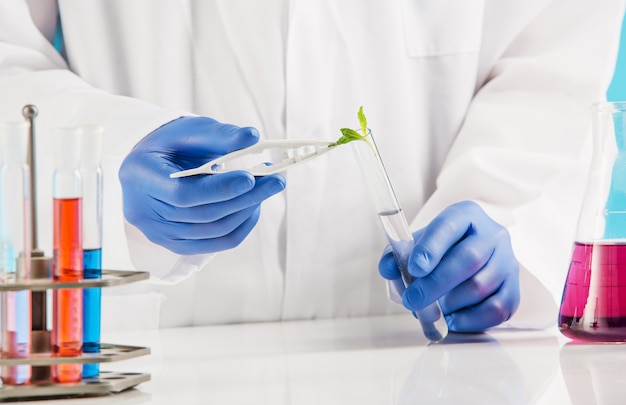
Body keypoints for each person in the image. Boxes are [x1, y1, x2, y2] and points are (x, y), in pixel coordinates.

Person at [0, 1, 624, 333]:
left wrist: (493, 221)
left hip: (425, 370)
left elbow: (553, 62)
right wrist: (111, 157)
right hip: (171, 357)